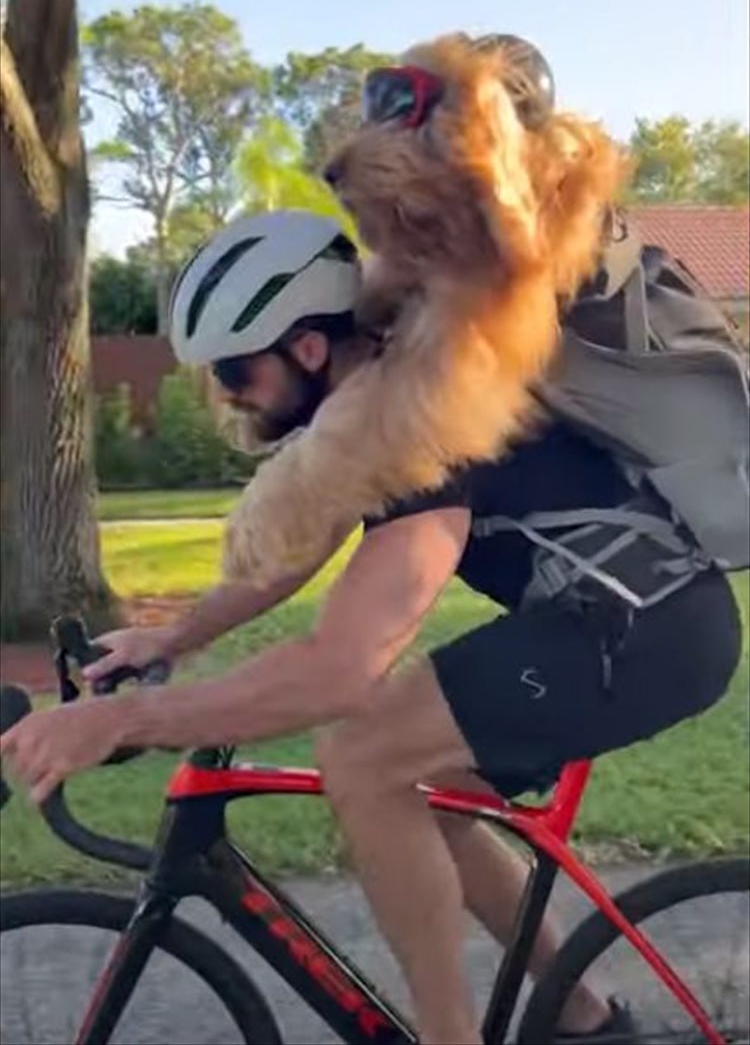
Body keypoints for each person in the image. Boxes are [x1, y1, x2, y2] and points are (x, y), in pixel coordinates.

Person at [1, 210, 741, 1045]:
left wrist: (120, 719)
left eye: (237, 372)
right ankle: (585, 1020)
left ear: (308, 350)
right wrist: (164, 640)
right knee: (425, 791)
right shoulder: (374, 402)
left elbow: (340, 670)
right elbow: (289, 554)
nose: (229, 397)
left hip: (645, 628)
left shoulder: (419, 424)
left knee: (365, 754)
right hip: (616, 623)